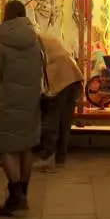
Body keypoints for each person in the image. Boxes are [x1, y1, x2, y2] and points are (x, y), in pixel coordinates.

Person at [0, 1, 45, 216]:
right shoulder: (36, 39)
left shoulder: (0, 44)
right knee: (26, 145)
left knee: (4, 146)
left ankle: (16, 193)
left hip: (8, 100)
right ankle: (24, 193)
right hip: (30, 99)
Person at [35, 33, 84, 172]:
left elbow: (38, 66)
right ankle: (60, 158)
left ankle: (49, 158)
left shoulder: (34, 42)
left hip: (61, 81)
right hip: (73, 79)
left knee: (52, 119)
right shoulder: (46, 38)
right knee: (64, 121)